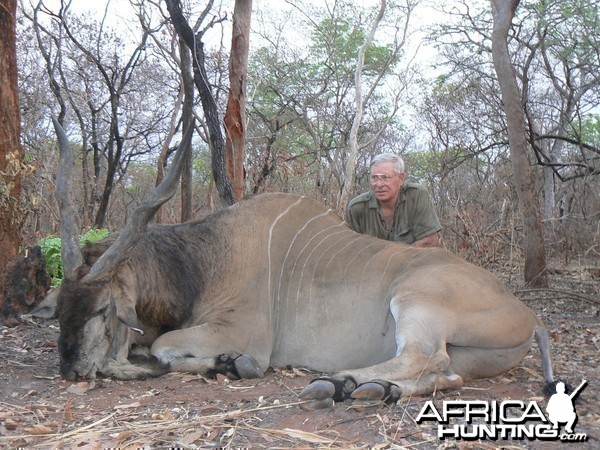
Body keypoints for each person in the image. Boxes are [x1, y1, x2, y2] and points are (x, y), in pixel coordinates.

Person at [345, 153, 441, 247]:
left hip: (412, 261)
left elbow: (430, 241)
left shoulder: (416, 195)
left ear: (401, 178)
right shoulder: (356, 208)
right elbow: (351, 248)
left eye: (386, 177)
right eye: (374, 178)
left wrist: (394, 260)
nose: (379, 184)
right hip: (372, 262)